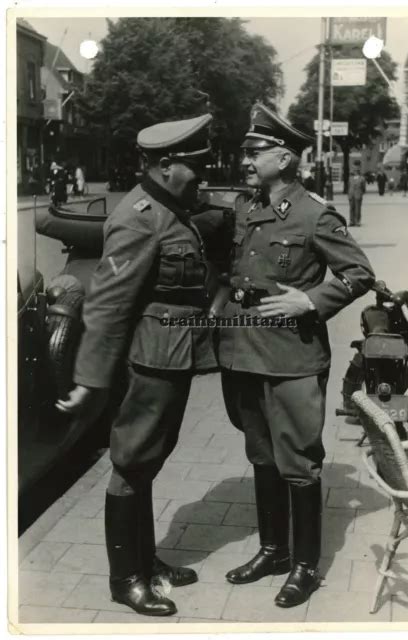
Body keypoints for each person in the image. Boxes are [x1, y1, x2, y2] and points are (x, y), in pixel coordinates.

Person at [56, 114, 218, 617]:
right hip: (148, 363)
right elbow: (106, 305)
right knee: (131, 462)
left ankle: (147, 563)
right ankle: (125, 579)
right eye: (194, 166)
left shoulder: (171, 210)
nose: (201, 176)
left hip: (169, 359)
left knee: (147, 460)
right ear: (166, 165)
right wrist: (88, 380)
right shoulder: (139, 216)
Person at [217, 103, 375, 608]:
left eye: (255, 152)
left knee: (299, 464)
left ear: (285, 158)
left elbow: (359, 273)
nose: (246, 159)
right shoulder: (247, 207)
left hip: (292, 358)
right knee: (261, 455)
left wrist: (310, 300)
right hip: (243, 353)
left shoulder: (314, 214)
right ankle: (273, 550)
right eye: (245, 152)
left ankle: (305, 566)